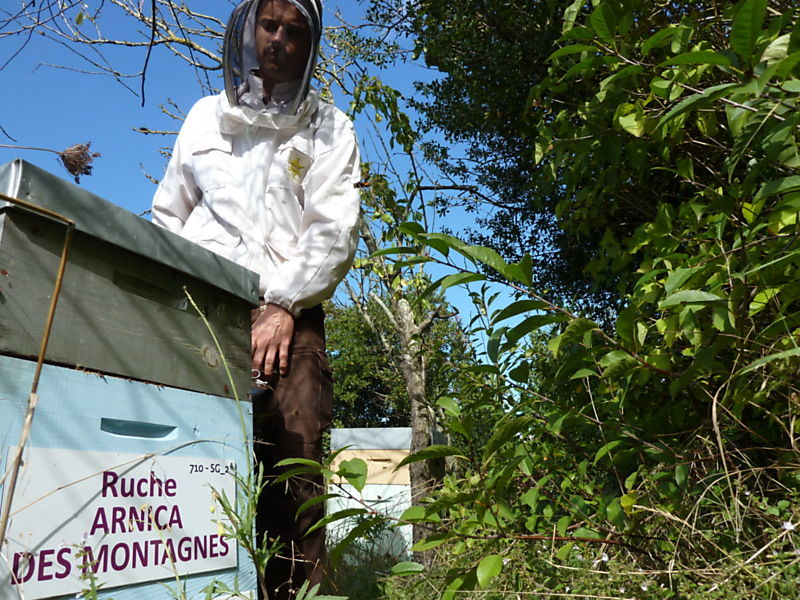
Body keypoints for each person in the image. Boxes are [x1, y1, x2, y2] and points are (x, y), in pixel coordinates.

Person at [150, 0, 361, 597]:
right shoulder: (202, 119)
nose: (279, 40)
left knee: (291, 477)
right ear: (246, 30)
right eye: (269, 25)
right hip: (201, 309)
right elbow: (168, 216)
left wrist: (282, 305)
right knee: (192, 460)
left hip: (289, 319)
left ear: (309, 45)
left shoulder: (330, 128)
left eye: (295, 31)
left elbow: (332, 230)